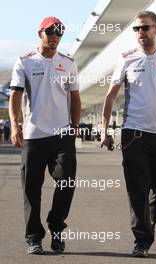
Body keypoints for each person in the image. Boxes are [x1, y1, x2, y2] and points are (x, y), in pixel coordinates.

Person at [101, 11, 156, 257]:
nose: (140, 33)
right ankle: (141, 240)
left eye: (145, 28)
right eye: (136, 29)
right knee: (138, 190)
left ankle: (147, 224)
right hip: (134, 135)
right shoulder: (126, 59)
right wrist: (104, 129)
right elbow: (111, 95)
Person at [9, 16, 81, 254]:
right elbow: (16, 96)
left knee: (66, 183)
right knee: (31, 189)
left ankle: (57, 228)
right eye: (50, 32)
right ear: (40, 33)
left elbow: (76, 97)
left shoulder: (68, 63)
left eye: (59, 33)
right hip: (33, 135)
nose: (55, 37)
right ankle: (33, 237)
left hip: (62, 135)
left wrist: (75, 125)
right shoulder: (25, 62)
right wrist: (15, 125)